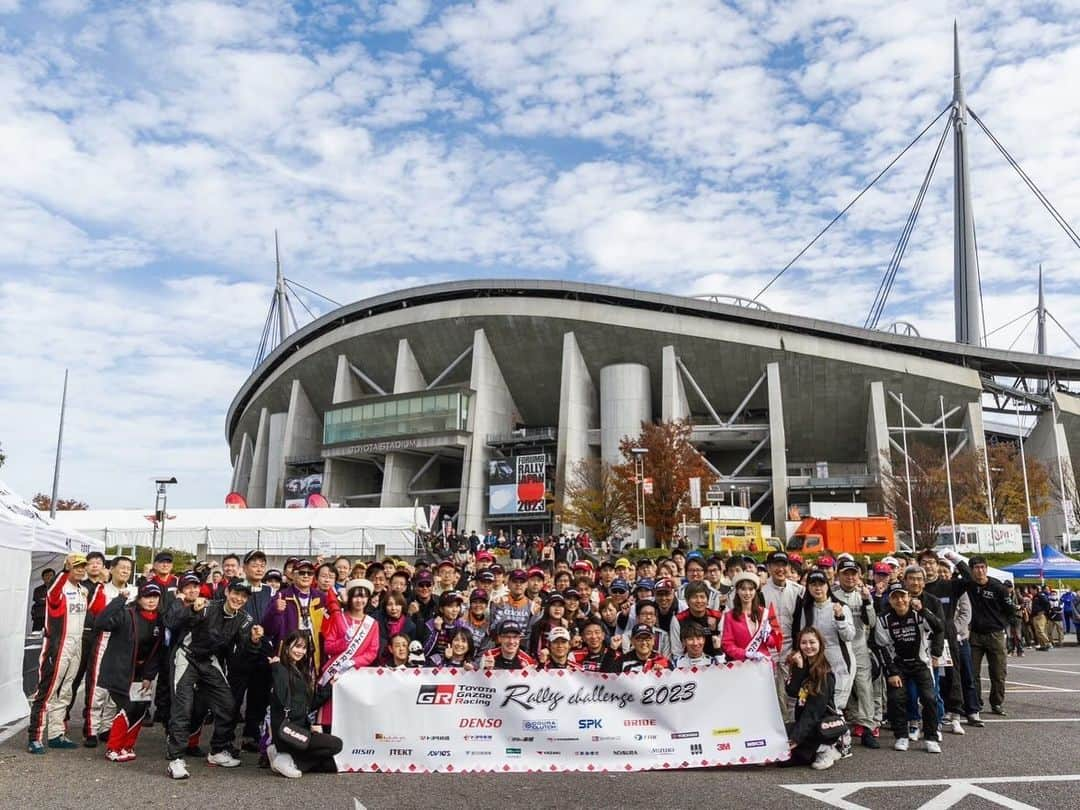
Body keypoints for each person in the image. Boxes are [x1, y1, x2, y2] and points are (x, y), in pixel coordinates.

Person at [164, 580, 263, 779]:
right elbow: (171, 621)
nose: (239, 599)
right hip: (186, 656)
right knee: (182, 707)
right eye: (236, 593)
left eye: (244, 596)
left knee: (228, 705)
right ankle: (176, 759)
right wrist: (191, 608)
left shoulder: (244, 619)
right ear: (227, 592)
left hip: (209, 661)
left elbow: (243, 651)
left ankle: (218, 751)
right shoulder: (207, 607)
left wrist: (254, 641)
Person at [94, 582, 165, 762]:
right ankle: (113, 748)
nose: (151, 601)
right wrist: (120, 599)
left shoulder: (160, 619)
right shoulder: (126, 614)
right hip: (120, 671)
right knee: (128, 706)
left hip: (142, 673)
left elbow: (157, 652)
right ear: (139, 598)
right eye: (147, 596)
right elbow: (101, 622)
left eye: (155, 597)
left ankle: (127, 745)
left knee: (141, 708)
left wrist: (149, 676)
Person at [28, 553, 90, 754]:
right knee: (47, 691)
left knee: (66, 691)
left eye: (83, 566)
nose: (80, 569)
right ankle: (35, 737)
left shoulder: (83, 590)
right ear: (68, 568)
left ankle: (56, 734)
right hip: (58, 645)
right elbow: (53, 589)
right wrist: (64, 570)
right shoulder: (58, 588)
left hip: (76, 644)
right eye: (76, 566)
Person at [873, 584, 942, 754]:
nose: (900, 600)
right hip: (899, 666)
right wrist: (892, 672)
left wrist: (924, 610)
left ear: (909, 597)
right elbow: (882, 647)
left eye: (903, 596)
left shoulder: (920, 613)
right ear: (890, 600)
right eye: (895, 597)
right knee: (897, 699)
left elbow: (939, 627)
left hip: (921, 664)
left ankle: (931, 737)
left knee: (929, 698)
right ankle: (901, 736)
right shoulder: (883, 619)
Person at [267, 631, 343, 778]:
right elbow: (282, 696)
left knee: (329, 764)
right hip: (287, 730)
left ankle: (283, 756)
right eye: (296, 646)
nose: (300, 651)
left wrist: (330, 688)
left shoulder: (300, 671)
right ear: (287, 646)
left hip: (301, 729)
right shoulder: (280, 669)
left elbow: (310, 704)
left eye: (303, 648)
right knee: (335, 744)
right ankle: (286, 759)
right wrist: (276, 667)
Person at [947, 553, 1014, 717]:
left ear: (986, 568)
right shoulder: (968, 585)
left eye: (982, 567)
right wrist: (953, 558)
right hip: (974, 634)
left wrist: (1001, 625)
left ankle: (997, 703)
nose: (980, 571)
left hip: (995, 634)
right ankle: (976, 703)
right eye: (976, 568)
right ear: (972, 570)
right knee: (972, 673)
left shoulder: (998, 587)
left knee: (998, 672)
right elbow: (962, 571)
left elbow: (1010, 610)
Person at [319, 579, 379, 728]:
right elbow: (328, 647)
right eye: (356, 596)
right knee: (330, 714)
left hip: (356, 674)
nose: (360, 600)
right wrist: (344, 642)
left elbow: (372, 652)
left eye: (363, 596)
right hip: (335, 673)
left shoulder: (372, 624)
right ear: (350, 598)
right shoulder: (339, 619)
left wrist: (354, 662)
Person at [832, 558, 879, 748]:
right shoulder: (832, 593)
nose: (850, 577)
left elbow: (872, 622)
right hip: (837, 648)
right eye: (846, 573)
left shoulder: (864, 594)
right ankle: (836, 726)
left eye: (853, 573)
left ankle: (868, 727)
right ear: (838, 575)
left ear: (859, 575)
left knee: (864, 688)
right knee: (838, 687)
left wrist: (868, 601)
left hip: (859, 646)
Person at [782, 627, 842, 770]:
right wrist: (800, 668)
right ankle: (810, 749)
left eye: (812, 642)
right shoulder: (801, 664)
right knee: (783, 761)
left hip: (821, 725)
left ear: (820, 644)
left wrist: (796, 737)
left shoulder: (825, 674)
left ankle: (827, 748)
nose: (808, 646)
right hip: (804, 722)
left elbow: (814, 711)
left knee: (799, 747)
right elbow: (792, 692)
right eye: (804, 643)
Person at [263, 559, 329, 673]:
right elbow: (268, 630)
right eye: (302, 572)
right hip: (289, 655)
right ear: (293, 574)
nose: (306, 576)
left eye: (310, 573)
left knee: (311, 687)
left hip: (314, 654)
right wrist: (275, 611)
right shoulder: (281, 596)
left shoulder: (321, 597)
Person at [722, 572, 783, 662]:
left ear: (755, 591)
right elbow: (727, 645)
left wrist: (767, 638)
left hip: (764, 663)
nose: (747, 593)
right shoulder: (729, 616)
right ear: (737, 591)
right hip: (742, 666)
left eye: (751, 589)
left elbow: (777, 641)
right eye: (743, 589)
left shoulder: (765, 613)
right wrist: (746, 654)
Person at [31, 568, 55, 634]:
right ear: (43, 577)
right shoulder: (37, 589)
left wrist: (45, 599)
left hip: (53, 618)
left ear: (54, 577)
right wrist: (50, 600)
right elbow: (38, 600)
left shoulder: (58, 588)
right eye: (46, 575)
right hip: (39, 617)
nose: (48, 577)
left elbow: (57, 601)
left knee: (53, 637)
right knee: (36, 636)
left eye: (51, 575)